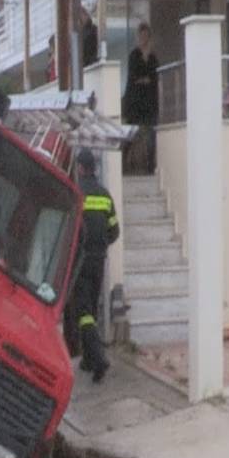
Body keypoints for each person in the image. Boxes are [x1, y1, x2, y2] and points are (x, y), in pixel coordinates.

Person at [72, 148, 120, 383]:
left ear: (80, 168)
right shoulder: (105, 195)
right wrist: (101, 245)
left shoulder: (76, 194)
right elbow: (115, 231)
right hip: (98, 261)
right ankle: (89, 360)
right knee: (90, 307)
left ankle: (98, 358)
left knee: (83, 313)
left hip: (80, 261)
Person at [122, 22, 160, 174]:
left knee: (151, 135)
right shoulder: (134, 55)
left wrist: (146, 79)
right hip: (135, 103)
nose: (143, 39)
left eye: (146, 36)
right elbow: (133, 77)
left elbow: (155, 77)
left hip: (150, 103)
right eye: (141, 36)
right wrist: (145, 80)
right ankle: (125, 165)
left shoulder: (153, 57)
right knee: (131, 135)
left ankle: (150, 166)